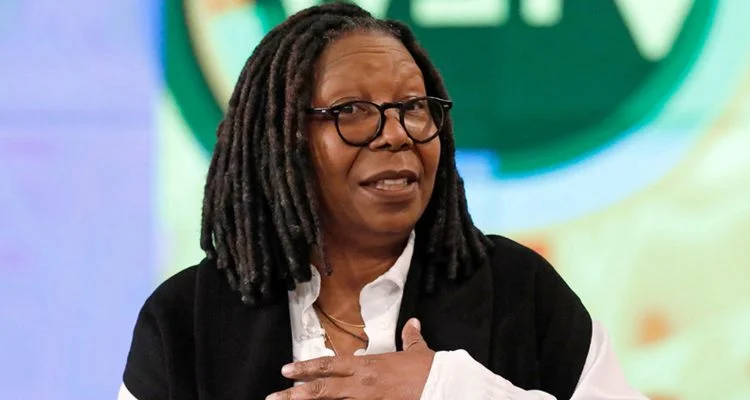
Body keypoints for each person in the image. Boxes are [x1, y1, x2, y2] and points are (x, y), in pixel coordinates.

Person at [119, 3, 647, 399]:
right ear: (281, 140)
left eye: (414, 107)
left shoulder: (521, 293)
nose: (396, 134)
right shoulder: (186, 319)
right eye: (351, 110)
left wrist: (446, 389)